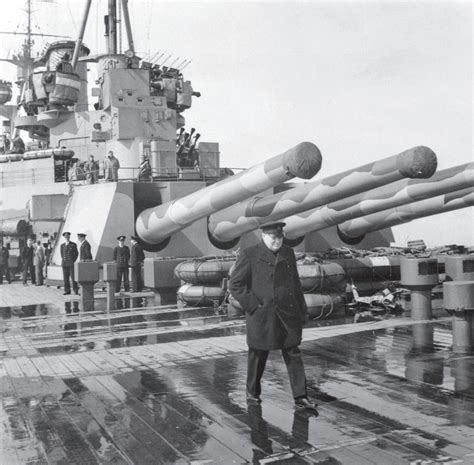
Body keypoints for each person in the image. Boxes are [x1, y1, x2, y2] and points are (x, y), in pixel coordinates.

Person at [229, 222, 317, 410]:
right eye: (273, 237)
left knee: (293, 352)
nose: (277, 241)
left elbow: (295, 284)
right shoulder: (250, 254)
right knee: (258, 354)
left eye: (280, 237)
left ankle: (301, 397)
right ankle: (252, 393)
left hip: (288, 313)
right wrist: (254, 305)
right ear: (263, 236)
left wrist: (302, 311)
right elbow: (235, 285)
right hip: (263, 315)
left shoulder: (288, 253)